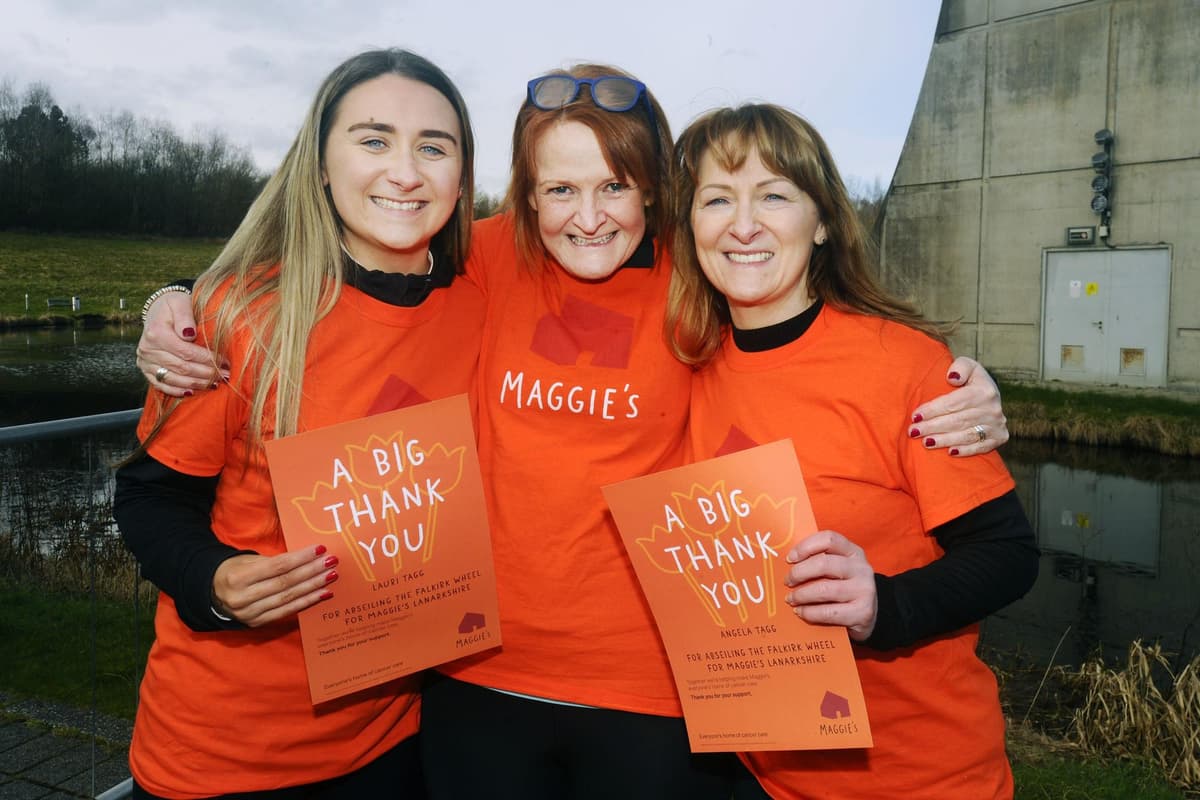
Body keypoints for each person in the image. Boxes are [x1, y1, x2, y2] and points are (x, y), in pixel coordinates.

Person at [133, 66, 1010, 798]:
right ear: (526, 194)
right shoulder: (486, 261)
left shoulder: (696, 274)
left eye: (614, 187)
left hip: (661, 694)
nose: (586, 216)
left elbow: (798, 315)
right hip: (472, 674)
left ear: (656, 194)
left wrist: (960, 376)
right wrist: (176, 300)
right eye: (558, 188)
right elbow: (363, 253)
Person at [112, 48, 482, 800]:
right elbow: (149, 500)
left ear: (462, 176)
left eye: (433, 147)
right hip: (223, 755)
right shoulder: (242, 314)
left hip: (398, 740)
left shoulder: (485, 301)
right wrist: (212, 580)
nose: (405, 172)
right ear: (319, 163)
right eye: (373, 140)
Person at [668, 103, 1038, 799]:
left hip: (920, 778)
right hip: (761, 774)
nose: (743, 224)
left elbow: (1008, 556)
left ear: (825, 223)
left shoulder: (905, 366)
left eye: (774, 196)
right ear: (692, 226)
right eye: (717, 199)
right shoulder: (689, 367)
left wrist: (882, 606)